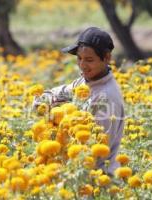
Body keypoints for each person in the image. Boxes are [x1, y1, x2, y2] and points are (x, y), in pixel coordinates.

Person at [33, 27, 124, 176]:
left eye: (89, 60)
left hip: (98, 179)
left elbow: (94, 150)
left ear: (107, 58)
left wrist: (55, 121)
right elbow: (48, 96)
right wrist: (44, 105)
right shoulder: (84, 82)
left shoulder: (105, 97)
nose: (82, 65)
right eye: (79, 58)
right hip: (76, 169)